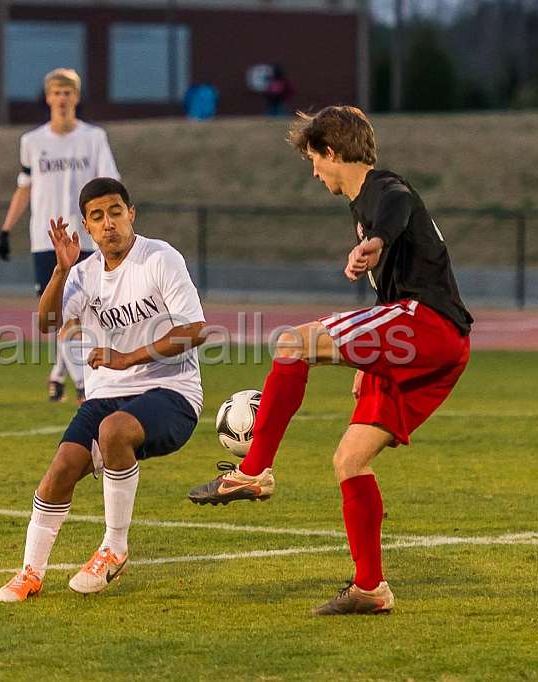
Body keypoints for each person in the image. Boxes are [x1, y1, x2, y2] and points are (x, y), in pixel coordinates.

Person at [188, 106, 472, 615]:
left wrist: (376, 240)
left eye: (313, 160)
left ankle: (254, 470)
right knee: (349, 461)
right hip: (434, 344)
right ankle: (371, 588)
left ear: (332, 152)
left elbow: (400, 205)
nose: (314, 171)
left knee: (292, 344)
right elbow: (392, 287)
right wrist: (368, 366)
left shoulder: (383, 188)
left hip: (427, 326)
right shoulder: (364, 207)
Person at [0, 177, 206, 602]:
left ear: (132, 214)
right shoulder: (83, 273)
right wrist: (60, 270)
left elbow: (195, 329)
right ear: (87, 228)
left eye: (115, 212)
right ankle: (30, 573)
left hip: (172, 391)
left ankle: (114, 547)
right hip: (107, 394)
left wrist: (128, 358)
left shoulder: (160, 258)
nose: (108, 223)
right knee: (61, 469)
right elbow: (47, 324)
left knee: (114, 430)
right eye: (97, 217)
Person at [0, 68, 120, 404]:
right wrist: (6, 230)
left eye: (68, 92)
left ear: (76, 97)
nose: (62, 98)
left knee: (83, 315)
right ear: (48, 97)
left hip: (86, 240)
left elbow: (110, 184)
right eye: (56, 92)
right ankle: (76, 383)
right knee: (57, 315)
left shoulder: (94, 138)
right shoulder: (32, 142)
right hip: (45, 240)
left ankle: (69, 380)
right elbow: (24, 188)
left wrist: (110, 227)